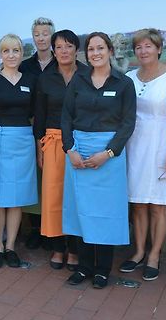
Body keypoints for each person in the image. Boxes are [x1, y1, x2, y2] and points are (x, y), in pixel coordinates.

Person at [61, 32, 136, 289]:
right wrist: (69, 149)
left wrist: (108, 153)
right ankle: (84, 267)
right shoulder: (78, 81)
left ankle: (103, 269)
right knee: (81, 209)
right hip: (78, 153)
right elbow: (66, 117)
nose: (95, 53)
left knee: (105, 213)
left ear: (110, 51)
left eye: (100, 48)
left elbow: (128, 124)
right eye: (91, 49)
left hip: (109, 156)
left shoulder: (123, 83)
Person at [119, 28, 166, 281]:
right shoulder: (130, 77)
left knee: (158, 205)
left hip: (163, 146)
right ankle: (139, 251)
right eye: (139, 47)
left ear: (159, 48)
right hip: (136, 147)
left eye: (148, 46)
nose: (143, 51)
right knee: (139, 202)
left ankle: (154, 255)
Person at [0, 34, 38, 268]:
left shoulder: (31, 80)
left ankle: (11, 246)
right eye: (6, 51)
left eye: (16, 51)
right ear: (0, 54)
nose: (11, 55)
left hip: (23, 142)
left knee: (16, 199)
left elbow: (34, 115)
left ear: (22, 54)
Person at [34, 29, 88, 270]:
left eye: (68, 46)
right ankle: (57, 247)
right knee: (53, 196)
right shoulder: (46, 78)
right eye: (59, 47)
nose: (63, 51)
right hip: (53, 141)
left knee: (77, 197)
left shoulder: (88, 75)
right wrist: (39, 150)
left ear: (76, 49)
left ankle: (75, 249)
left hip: (82, 142)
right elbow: (40, 115)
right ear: (53, 51)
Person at [19, 17, 56, 250]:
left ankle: (51, 229)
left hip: (54, 129)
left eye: (45, 34)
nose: (41, 38)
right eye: (37, 34)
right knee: (33, 178)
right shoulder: (25, 66)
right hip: (30, 128)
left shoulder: (61, 63)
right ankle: (35, 229)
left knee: (51, 180)